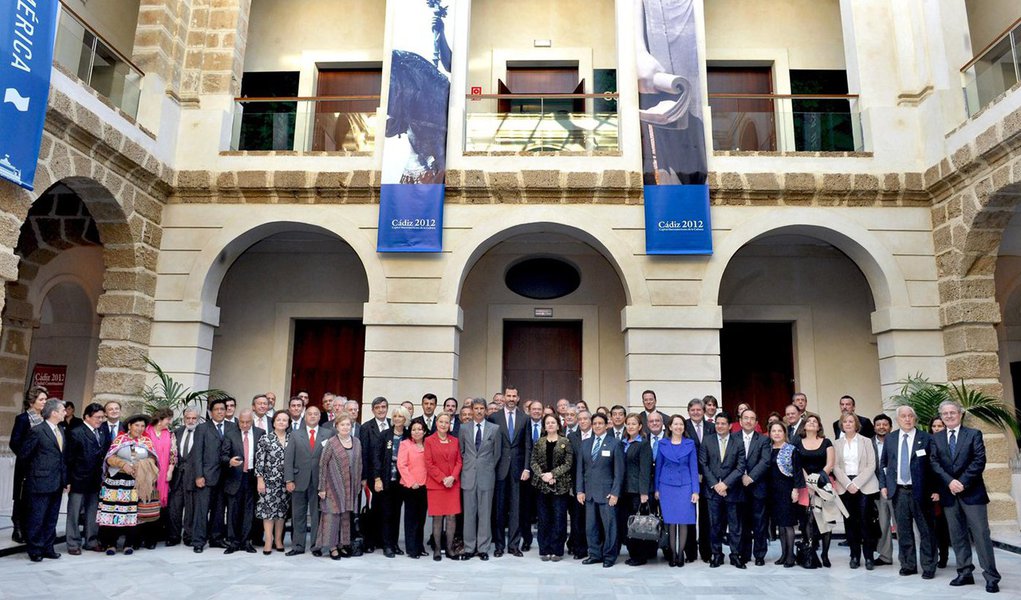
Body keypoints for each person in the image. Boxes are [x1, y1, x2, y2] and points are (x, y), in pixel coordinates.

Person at [931, 400, 1001, 593]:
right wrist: (950, 482)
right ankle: (964, 572)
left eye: (952, 412)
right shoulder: (936, 438)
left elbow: (979, 461)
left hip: (973, 493)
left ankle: (991, 576)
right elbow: (934, 463)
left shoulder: (973, 434)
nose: (949, 416)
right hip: (949, 494)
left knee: (981, 535)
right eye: (945, 413)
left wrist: (961, 482)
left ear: (960, 414)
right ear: (941, 416)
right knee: (957, 535)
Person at [878, 405, 936, 579]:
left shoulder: (925, 438)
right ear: (897, 420)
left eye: (911, 416)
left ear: (915, 419)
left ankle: (928, 566)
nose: (907, 419)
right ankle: (908, 564)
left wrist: (935, 489)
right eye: (903, 416)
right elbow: (883, 464)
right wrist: (884, 485)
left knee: (926, 531)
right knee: (903, 531)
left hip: (921, 491)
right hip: (898, 492)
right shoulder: (891, 438)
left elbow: (933, 466)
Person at [97, 414, 158, 555]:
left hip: (136, 483)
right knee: (113, 512)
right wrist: (123, 464)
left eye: (142, 426)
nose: (140, 428)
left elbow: (154, 459)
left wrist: (142, 465)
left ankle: (128, 543)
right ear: (129, 426)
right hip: (116, 481)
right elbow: (109, 458)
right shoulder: (120, 439)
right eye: (137, 425)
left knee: (132, 513)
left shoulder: (146, 441)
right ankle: (111, 544)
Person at [285, 405, 335, 556]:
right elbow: (288, 458)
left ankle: (316, 545)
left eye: (315, 414)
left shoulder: (328, 433)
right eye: (309, 414)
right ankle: (298, 545)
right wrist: (289, 479)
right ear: (305, 417)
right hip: (298, 480)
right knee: (298, 514)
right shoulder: (295, 434)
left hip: (319, 481)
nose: (312, 416)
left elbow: (331, 459)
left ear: (320, 417)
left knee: (317, 515)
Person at [699, 411, 746, 569]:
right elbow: (703, 465)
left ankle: (735, 555)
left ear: (730, 426)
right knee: (715, 526)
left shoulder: (738, 442)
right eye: (717, 423)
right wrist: (716, 484)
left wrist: (725, 484)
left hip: (732, 490)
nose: (719, 426)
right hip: (712, 492)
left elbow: (740, 467)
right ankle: (716, 555)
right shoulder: (707, 441)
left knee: (735, 526)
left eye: (723, 423)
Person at [21, 398, 66, 562]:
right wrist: (34, 474)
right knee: (37, 517)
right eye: (62, 410)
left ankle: (48, 547)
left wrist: (65, 479)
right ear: (54, 413)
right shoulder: (38, 431)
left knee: (51, 517)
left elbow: (62, 458)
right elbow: (25, 455)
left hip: (57, 481)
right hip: (40, 481)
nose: (65, 413)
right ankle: (35, 549)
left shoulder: (60, 430)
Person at [576, 413, 624, 568]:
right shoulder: (585, 443)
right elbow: (580, 470)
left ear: (606, 425)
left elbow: (619, 472)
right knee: (591, 527)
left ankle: (610, 556)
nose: (597, 426)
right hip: (589, 493)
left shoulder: (615, 443)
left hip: (607, 494)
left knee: (609, 527)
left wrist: (615, 493)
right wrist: (579, 490)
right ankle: (595, 554)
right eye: (594, 423)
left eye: (600, 423)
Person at [833, 412, 879, 569]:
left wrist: (857, 484)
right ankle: (854, 556)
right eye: (845, 421)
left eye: (851, 421)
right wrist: (847, 484)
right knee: (850, 522)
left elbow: (872, 465)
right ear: (842, 425)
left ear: (856, 424)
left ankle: (868, 557)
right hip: (844, 485)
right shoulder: (837, 443)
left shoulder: (866, 441)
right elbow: (835, 466)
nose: (848, 424)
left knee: (866, 522)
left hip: (864, 485)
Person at [191, 397, 234, 553]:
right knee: (202, 510)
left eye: (223, 409)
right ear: (211, 412)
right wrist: (198, 475)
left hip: (226, 476)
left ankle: (216, 538)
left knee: (219, 509)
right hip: (207, 476)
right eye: (217, 409)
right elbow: (197, 454)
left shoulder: (231, 426)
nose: (220, 412)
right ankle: (198, 541)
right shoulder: (202, 428)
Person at [656, 414, 699, 567]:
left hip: (685, 486)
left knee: (684, 521)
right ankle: (673, 554)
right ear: (670, 427)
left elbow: (694, 468)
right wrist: (656, 489)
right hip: (666, 486)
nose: (678, 427)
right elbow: (658, 468)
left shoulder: (690, 444)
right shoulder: (662, 444)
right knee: (671, 522)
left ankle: (681, 554)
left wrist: (696, 491)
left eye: (681, 424)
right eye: (676, 424)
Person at [530, 413, 574, 561]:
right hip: (541, 486)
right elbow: (533, 462)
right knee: (543, 519)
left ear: (558, 425)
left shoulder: (565, 441)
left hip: (560, 487)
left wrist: (553, 475)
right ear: (544, 426)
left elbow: (568, 463)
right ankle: (545, 549)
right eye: (547, 423)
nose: (550, 425)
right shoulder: (539, 442)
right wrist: (543, 475)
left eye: (553, 422)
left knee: (559, 519)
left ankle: (557, 551)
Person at [318, 414, 362, 559]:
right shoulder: (331, 442)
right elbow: (323, 464)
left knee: (345, 517)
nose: (345, 427)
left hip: (350, 487)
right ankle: (332, 547)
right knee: (332, 516)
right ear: (336, 426)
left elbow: (359, 464)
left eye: (348, 425)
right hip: (332, 487)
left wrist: (359, 484)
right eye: (342, 425)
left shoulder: (356, 442)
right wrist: (322, 488)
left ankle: (342, 545)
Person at [460, 398, 500, 560]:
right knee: (469, 514)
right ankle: (469, 547)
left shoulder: (494, 429)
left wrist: (487, 467)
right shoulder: (463, 428)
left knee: (485, 513)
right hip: (469, 476)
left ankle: (483, 548)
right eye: (475, 408)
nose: (478, 411)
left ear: (485, 410)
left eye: (481, 408)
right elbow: (462, 451)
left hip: (486, 476)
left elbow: (496, 454)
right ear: (472, 409)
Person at [490, 386, 526, 557]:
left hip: (518, 470)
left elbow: (528, 446)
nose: (511, 398)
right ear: (504, 398)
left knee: (516, 509)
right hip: (499, 469)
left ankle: (513, 545)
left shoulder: (524, 418)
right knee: (499, 509)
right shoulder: (494, 418)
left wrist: (526, 467)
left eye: (514, 396)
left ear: (518, 398)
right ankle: (498, 546)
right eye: (508, 395)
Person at [65, 402, 105, 554]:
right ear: (87, 417)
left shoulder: (100, 432)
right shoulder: (76, 432)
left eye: (102, 417)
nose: (100, 420)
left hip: (95, 480)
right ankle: (73, 543)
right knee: (74, 513)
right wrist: (67, 480)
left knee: (92, 512)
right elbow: (69, 459)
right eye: (97, 417)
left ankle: (91, 540)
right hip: (78, 479)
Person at [9, 385, 48, 544]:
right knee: (21, 497)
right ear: (32, 401)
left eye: (46, 399)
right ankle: (17, 528)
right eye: (41, 399)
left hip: (42, 466)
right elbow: (15, 442)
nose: (44, 402)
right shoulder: (23, 419)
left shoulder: (46, 419)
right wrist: (27, 456)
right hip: (26, 465)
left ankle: (32, 529)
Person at [222, 409, 262, 554]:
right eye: (242, 422)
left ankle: (246, 541)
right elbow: (223, 455)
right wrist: (229, 461)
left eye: (247, 422)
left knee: (249, 511)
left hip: (252, 477)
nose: (244, 425)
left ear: (252, 421)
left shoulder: (260, 433)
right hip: (234, 477)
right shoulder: (230, 434)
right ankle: (233, 542)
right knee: (233, 511)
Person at [373, 406, 410, 557]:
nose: (397, 419)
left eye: (400, 416)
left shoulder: (408, 436)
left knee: (396, 514)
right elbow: (377, 458)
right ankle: (387, 545)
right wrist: (377, 478)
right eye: (395, 416)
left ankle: (394, 544)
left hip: (402, 483)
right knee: (387, 514)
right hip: (387, 480)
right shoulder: (385, 435)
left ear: (405, 419)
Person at [766, 422, 805, 568]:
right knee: (780, 525)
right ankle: (783, 554)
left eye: (779, 431)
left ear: (784, 433)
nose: (776, 433)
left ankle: (790, 556)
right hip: (772, 491)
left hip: (787, 490)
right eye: (773, 431)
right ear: (769, 433)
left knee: (788, 524)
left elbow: (797, 471)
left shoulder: (791, 450)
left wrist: (796, 489)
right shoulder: (768, 449)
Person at [425, 412, 462, 560]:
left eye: (447, 422)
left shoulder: (455, 440)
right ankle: (437, 549)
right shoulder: (429, 440)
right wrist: (443, 478)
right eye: (441, 422)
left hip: (452, 484)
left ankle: (449, 549)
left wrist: (452, 477)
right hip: (436, 485)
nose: (444, 425)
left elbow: (459, 461)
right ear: (436, 423)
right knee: (438, 518)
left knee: (452, 517)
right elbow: (428, 463)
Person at [737, 408, 771, 566]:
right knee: (742, 523)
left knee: (759, 523)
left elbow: (765, 461)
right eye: (746, 418)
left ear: (756, 423)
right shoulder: (733, 438)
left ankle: (759, 555)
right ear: (740, 421)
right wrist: (740, 476)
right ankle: (743, 554)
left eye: (752, 418)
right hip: (738, 487)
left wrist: (750, 477)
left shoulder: (763, 440)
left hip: (757, 487)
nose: (748, 421)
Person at [619, 413, 653, 566]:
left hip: (637, 491)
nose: (631, 426)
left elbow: (645, 470)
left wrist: (644, 493)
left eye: (634, 424)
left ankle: (640, 556)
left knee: (638, 525)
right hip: (623, 490)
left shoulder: (643, 444)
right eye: (628, 424)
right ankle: (632, 553)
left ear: (640, 427)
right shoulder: (623, 443)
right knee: (627, 524)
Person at [256, 411, 291, 554]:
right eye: (279, 420)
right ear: (274, 422)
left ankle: (278, 539)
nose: (282, 422)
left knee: (281, 512)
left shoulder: (292, 439)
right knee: (268, 512)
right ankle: (269, 539)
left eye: (284, 420)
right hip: (268, 481)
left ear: (288, 423)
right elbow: (259, 461)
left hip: (286, 481)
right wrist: (260, 480)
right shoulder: (265, 438)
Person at [143, 408, 178, 548]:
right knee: (147, 504)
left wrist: (170, 470)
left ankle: (156, 536)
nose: (170, 422)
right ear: (161, 419)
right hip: (147, 474)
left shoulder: (169, 434)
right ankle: (145, 538)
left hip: (163, 475)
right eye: (168, 419)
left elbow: (173, 454)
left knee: (160, 505)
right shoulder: (146, 431)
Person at [360, 396, 392, 552]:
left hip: (389, 477)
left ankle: (384, 541)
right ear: (373, 410)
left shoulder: (393, 424)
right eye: (377, 407)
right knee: (371, 510)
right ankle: (370, 542)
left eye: (383, 407)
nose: (381, 410)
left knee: (386, 510)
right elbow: (364, 453)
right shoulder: (366, 427)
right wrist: (364, 477)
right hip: (372, 477)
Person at [683, 397, 712, 563]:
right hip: (688, 478)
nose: (696, 412)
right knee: (689, 516)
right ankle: (690, 553)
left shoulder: (712, 427)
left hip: (708, 478)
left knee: (706, 517)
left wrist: (704, 473)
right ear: (689, 412)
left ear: (704, 411)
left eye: (698, 410)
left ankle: (706, 552)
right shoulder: (683, 426)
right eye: (692, 410)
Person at [167, 408, 199, 547]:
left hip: (193, 476)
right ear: (184, 418)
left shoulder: (201, 433)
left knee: (191, 507)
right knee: (174, 507)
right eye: (188, 418)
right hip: (177, 476)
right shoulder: (177, 432)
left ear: (198, 419)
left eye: (193, 418)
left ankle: (188, 536)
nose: (190, 421)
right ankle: (173, 536)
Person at [397, 420, 429, 559]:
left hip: (425, 486)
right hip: (410, 486)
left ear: (424, 431)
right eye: (413, 429)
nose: (416, 432)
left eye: (419, 429)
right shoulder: (405, 444)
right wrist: (412, 482)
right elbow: (401, 465)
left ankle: (420, 546)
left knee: (421, 518)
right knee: (411, 519)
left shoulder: (428, 445)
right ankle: (412, 549)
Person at [567, 409, 593, 559]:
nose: (582, 421)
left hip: (594, 484)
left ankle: (594, 546)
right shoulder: (572, 437)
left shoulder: (598, 436)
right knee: (577, 519)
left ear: (590, 420)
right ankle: (579, 549)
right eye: (580, 419)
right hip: (577, 485)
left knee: (592, 519)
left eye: (585, 419)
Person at [521, 399, 545, 552]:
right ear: (529, 411)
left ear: (542, 411)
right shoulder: (523, 424)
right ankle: (526, 539)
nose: (536, 411)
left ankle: (543, 540)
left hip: (544, 475)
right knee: (525, 510)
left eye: (539, 409)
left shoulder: (548, 425)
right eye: (533, 409)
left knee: (543, 509)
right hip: (526, 474)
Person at [927, 416, 951, 569]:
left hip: (945, 491)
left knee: (943, 527)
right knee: (932, 527)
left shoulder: (948, 443)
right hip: (929, 492)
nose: (936, 428)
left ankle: (944, 556)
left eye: (940, 426)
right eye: (934, 426)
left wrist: (939, 491)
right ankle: (933, 556)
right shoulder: (927, 442)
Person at [871, 413, 894, 567]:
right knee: (883, 523)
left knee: (903, 524)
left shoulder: (897, 441)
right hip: (876, 488)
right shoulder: (868, 443)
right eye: (878, 425)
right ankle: (885, 556)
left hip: (896, 488)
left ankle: (910, 557)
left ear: (890, 427)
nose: (881, 427)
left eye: (885, 424)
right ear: (874, 427)